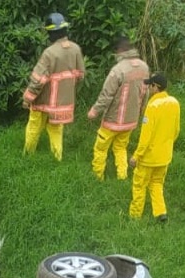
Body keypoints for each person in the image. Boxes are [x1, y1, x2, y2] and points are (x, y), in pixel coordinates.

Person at [22, 13, 85, 162]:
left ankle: (27, 157)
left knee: (33, 128)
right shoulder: (75, 49)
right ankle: (57, 159)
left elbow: (38, 80)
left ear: (51, 33)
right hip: (61, 104)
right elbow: (80, 75)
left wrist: (27, 98)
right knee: (56, 131)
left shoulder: (49, 53)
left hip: (42, 101)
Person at [87, 36, 149, 181]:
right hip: (130, 121)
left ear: (119, 51)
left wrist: (94, 111)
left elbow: (107, 94)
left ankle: (97, 177)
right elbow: (145, 93)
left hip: (112, 121)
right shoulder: (144, 67)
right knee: (121, 148)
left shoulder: (118, 70)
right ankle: (122, 176)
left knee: (101, 148)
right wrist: (140, 112)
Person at [128, 72, 180, 223]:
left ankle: (134, 216)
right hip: (164, 156)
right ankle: (160, 212)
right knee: (157, 184)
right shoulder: (174, 103)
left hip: (148, 158)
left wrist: (136, 156)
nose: (149, 88)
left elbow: (146, 137)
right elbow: (176, 131)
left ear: (156, 87)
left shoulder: (152, 106)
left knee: (139, 186)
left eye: (150, 85)